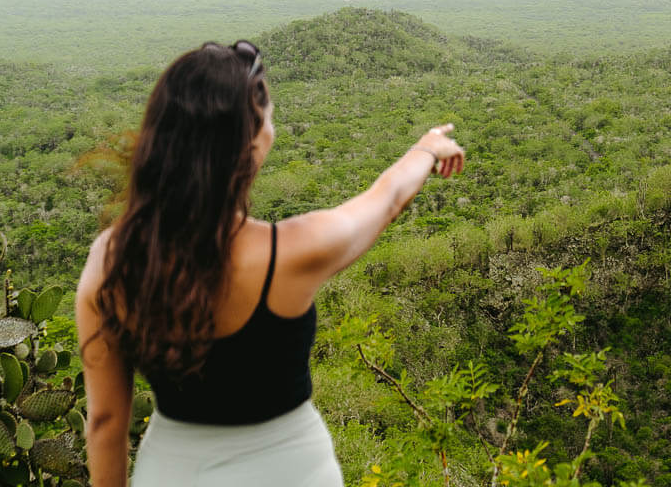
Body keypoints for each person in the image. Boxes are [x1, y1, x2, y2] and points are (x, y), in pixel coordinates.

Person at [74, 40, 464, 487]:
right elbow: (387, 198)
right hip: (293, 470)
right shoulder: (292, 252)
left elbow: (105, 423)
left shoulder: (111, 263)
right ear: (255, 138)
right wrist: (427, 148)